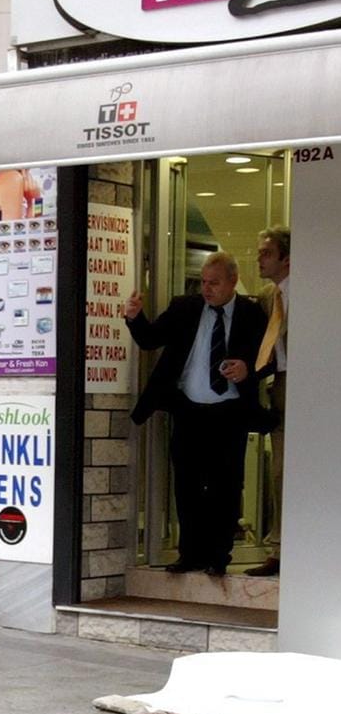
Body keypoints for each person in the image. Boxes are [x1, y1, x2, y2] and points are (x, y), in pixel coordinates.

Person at [125, 251, 271, 577]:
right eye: (204, 282)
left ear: (232, 281)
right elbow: (150, 339)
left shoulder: (250, 314)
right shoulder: (185, 308)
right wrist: (135, 317)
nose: (207, 289)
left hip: (229, 412)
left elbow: (269, 358)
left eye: (214, 283)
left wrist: (248, 369)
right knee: (188, 485)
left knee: (226, 486)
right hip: (189, 409)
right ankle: (189, 553)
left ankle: (218, 555)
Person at [246, 226, 290, 577]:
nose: (259, 258)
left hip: (312, 386)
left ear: (286, 258)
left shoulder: (315, 292)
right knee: (281, 471)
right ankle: (279, 548)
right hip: (281, 386)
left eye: (266, 253)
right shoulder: (266, 296)